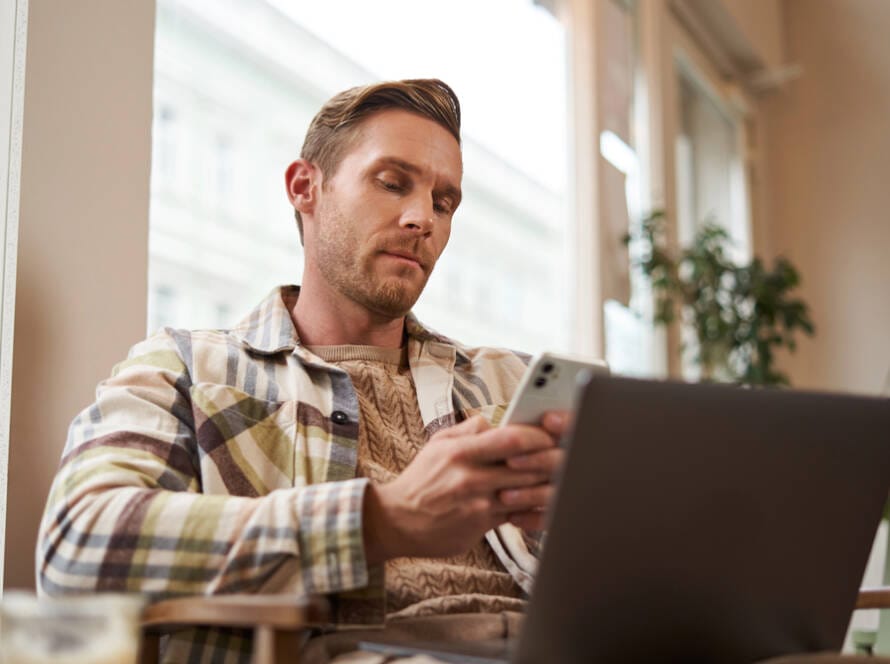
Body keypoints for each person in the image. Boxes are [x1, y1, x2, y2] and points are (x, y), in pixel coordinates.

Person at [37, 79, 567, 663]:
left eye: (444, 203)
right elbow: (77, 547)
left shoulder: (509, 383)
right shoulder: (188, 369)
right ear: (305, 187)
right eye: (392, 183)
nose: (424, 219)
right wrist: (378, 523)